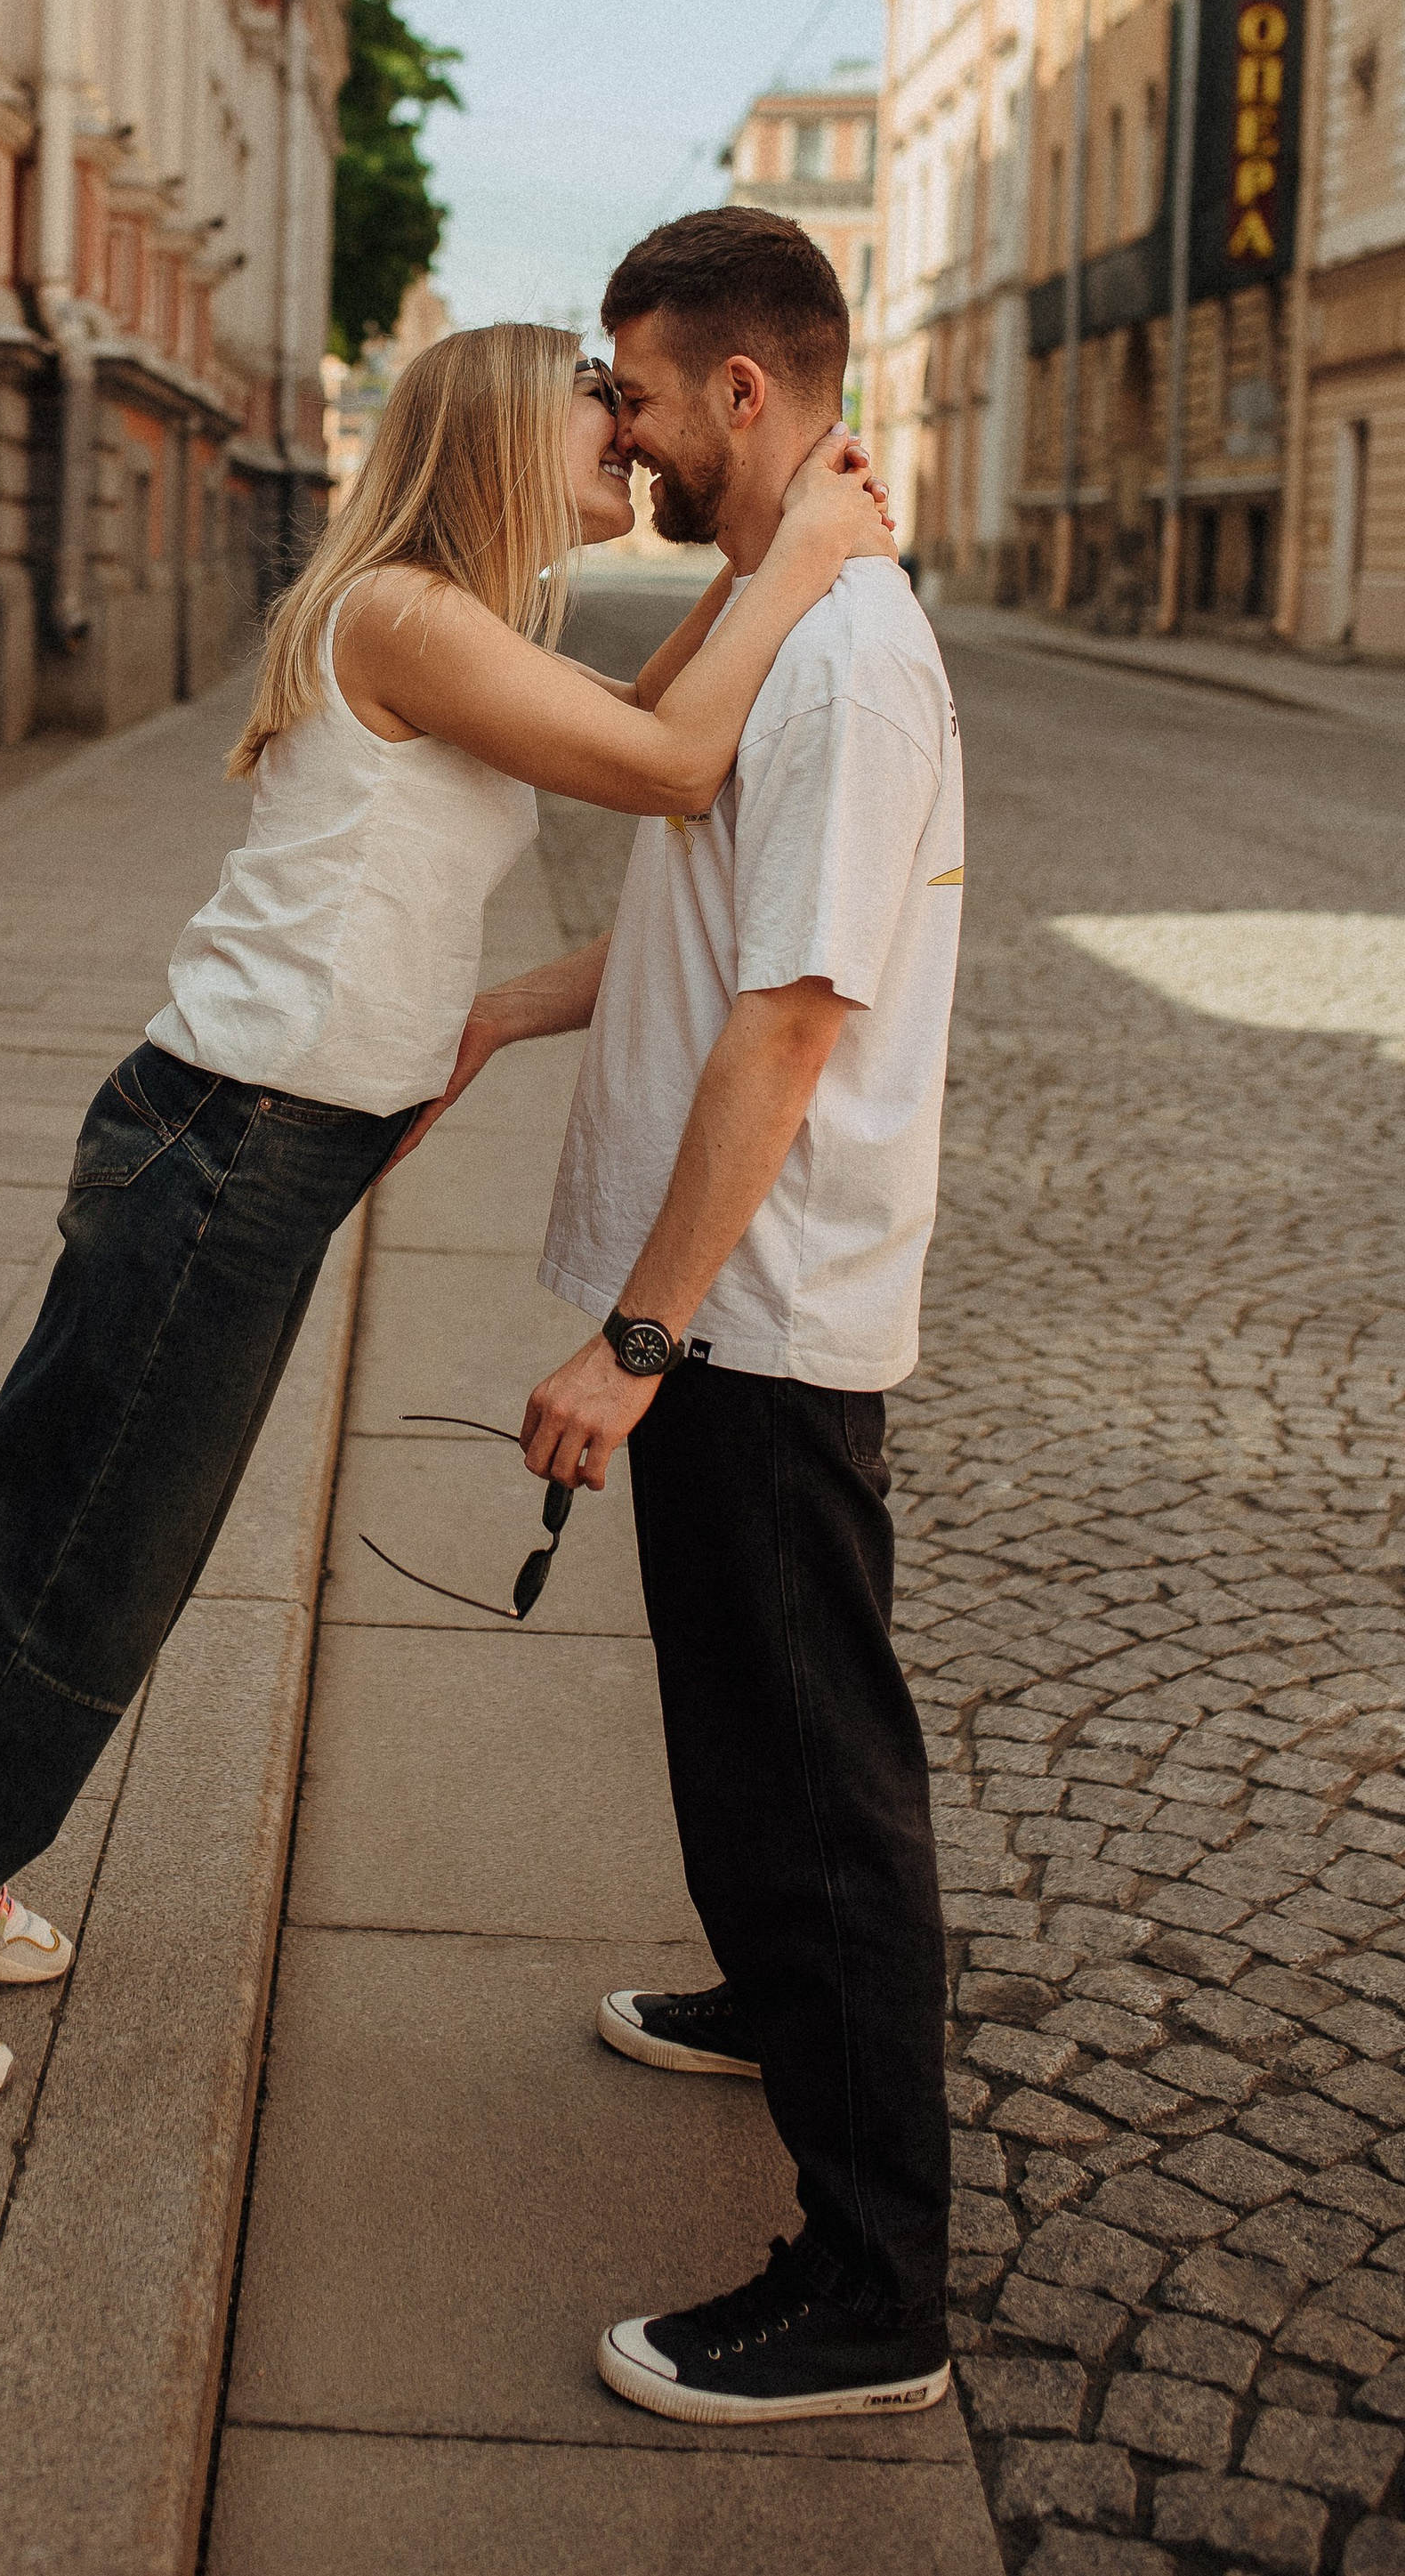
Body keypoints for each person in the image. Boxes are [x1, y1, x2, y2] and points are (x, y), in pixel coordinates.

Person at [0, 317, 895, 2104]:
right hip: (226, 1142)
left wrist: (752, 565)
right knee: (68, 1539)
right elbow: (671, 767)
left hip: (257, 1148)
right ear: (495, 431)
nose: (621, 424)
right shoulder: (408, 616)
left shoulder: (455, 622)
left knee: (112, 1542)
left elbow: (647, 719)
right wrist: (798, 553)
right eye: (591, 398)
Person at [425, 208, 963, 2426]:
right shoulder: (777, 619)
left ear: (741, 391)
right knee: (749, 1730)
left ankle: (871, 2287)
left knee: (815, 1769)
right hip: (721, 1300)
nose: (616, 428)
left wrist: (630, 1342)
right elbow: (691, 920)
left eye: (634, 391)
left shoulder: (838, 665)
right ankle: (772, 1992)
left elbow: (790, 1018)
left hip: (754, 1302)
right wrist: (506, 1010)